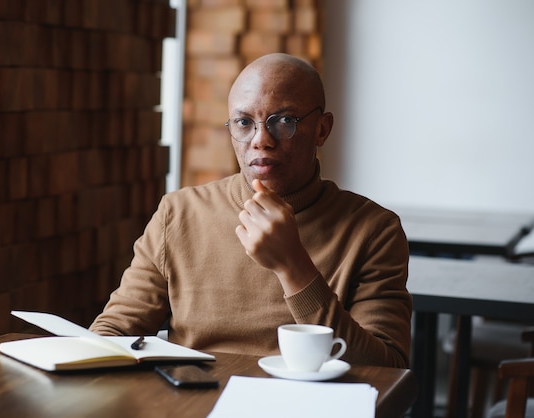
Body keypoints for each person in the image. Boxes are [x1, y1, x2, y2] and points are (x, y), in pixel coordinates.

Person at [90, 53, 412, 368]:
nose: (261, 140)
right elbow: (113, 332)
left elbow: (386, 369)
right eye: (244, 123)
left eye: (284, 121)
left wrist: (293, 266)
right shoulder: (179, 214)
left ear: (322, 129)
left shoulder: (374, 231)